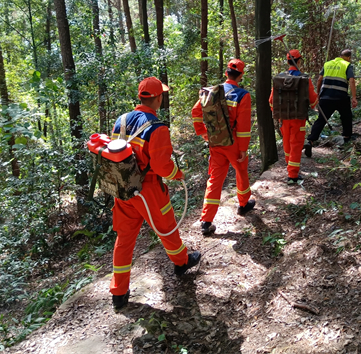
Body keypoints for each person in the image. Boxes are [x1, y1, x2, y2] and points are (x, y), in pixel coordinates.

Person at [109, 77, 201, 309]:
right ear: (158, 98)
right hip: (148, 190)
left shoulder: (120, 121)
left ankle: (119, 292)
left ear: (140, 97)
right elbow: (161, 166)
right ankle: (181, 263)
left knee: (124, 240)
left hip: (123, 189)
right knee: (167, 227)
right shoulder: (157, 128)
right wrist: (177, 173)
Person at [192, 59, 255, 236]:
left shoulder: (210, 92)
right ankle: (243, 204)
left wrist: (203, 132)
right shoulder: (243, 95)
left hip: (215, 142)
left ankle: (206, 221)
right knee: (241, 171)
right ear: (241, 75)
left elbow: (195, 112)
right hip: (233, 143)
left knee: (215, 178)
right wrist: (243, 148)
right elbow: (243, 126)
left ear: (226, 73)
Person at [269, 50, 318, 185]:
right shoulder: (304, 79)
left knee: (287, 143)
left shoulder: (279, 78)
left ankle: (289, 167)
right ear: (299, 61)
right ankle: (293, 175)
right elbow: (313, 100)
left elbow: (271, 101)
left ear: (288, 61)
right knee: (296, 144)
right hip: (299, 118)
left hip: (283, 118)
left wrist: (278, 114)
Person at [304, 49, 357, 156]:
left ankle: (310, 140)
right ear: (348, 57)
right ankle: (346, 137)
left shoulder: (327, 64)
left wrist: (318, 93)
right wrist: (354, 97)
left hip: (326, 97)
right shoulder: (347, 65)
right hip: (341, 97)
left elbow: (319, 79)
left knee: (321, 120)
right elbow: (351, 80)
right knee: (346, 117)